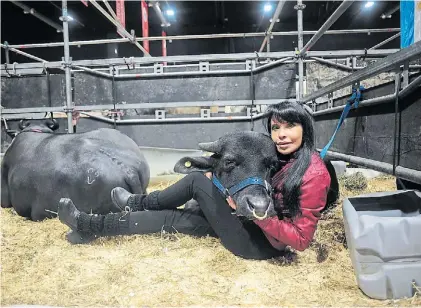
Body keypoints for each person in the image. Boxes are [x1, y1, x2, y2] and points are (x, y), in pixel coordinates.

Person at [57, 101, 331, 260]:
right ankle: (89, 226)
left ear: (305, 128)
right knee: (173, 220)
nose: (281, 135)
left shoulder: (313, 174)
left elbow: (302, 240)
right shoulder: (282, 156)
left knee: (197, 182)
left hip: (260, 244)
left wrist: (260, 217)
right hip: (251, 227)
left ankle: (137, 202)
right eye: (275, 127)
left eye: (290, 126)